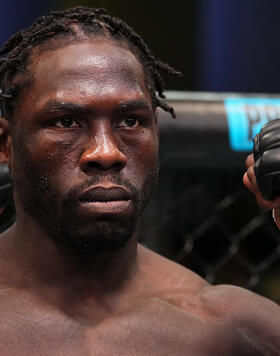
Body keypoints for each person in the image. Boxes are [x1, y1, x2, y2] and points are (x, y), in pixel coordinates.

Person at [0, 6, 279, 355]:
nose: (106, 152)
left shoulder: (230, 329)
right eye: (66, 122)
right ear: (5, 143)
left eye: (130, 121)